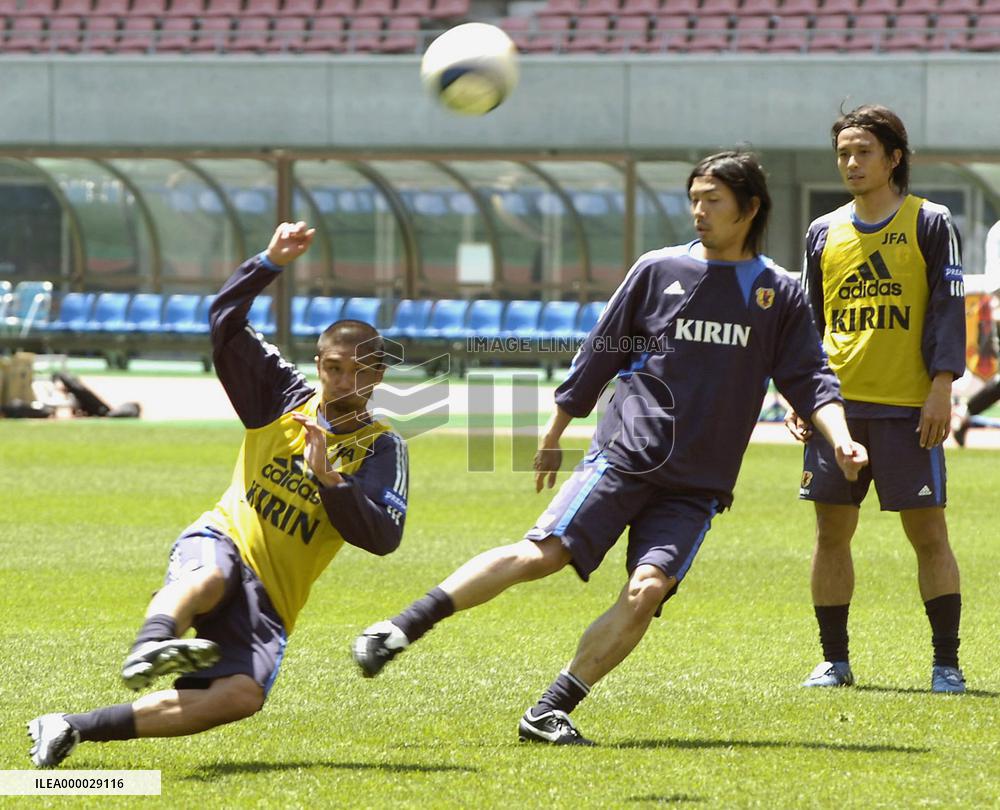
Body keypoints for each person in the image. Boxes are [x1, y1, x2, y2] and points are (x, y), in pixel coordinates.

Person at [353, 151, 868, 746]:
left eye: (714, 200)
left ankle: (549, 709)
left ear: (749, 209)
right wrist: (554, 434)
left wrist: (843, 438)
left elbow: (810, 379)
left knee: (648, 590)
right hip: (628, 457)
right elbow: (601, 353)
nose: (699, 211)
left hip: (699, 483)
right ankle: (396, 630)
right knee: (540, 555)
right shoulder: (658, 269)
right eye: (694, 198)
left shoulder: (779, 293)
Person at [27, 221, 409, 768]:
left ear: (377, 375)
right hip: (222, 539)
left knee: (241, 697)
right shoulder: (282, 397)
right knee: (209, 576)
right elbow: (225, 323)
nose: (342, 381)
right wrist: (269, 262)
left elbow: (383, 537)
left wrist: (330, 480)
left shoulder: (382, 448)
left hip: (273, 598)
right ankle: (151, 644)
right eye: (332, 368)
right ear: (319, 365)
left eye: (358, 371)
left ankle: (68, 727)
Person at [786, 105, 967, 693]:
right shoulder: (823, 231)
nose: (851, 163)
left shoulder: (930, 221)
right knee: (831, 535)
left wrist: (941, 387)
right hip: (837, 411)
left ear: (893, 158)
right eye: (843, 153)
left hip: (908, 410)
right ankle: (834, 662)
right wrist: (801, 391)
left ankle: (946, 664)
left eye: (863, 152)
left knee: (929, 536)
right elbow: (808, 320)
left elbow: (946, 307)